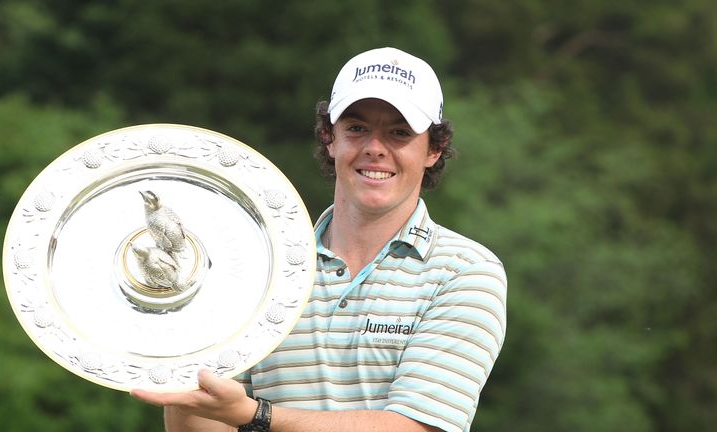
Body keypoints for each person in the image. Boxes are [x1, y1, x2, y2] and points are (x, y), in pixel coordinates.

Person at [131, 46, 507, 432]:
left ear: (434, 149)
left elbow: (413, 428)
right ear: (330, 137)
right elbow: (212, 423)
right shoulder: (264, 266)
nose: (375, 148)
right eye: (357, 128)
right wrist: (179, 359)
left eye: (399, 133)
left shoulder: (465, 272)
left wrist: (256, 415)